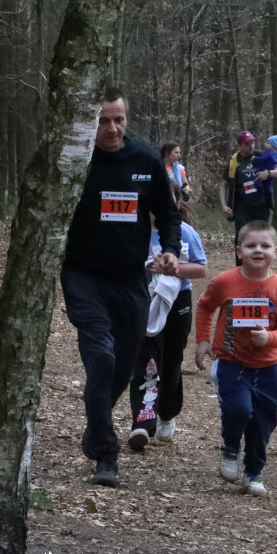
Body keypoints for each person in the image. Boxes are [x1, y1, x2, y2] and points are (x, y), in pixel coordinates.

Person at [61, 87, 181, 488]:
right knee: (102, 359)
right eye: (103, 120)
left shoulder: (145, 160)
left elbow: (168, 216)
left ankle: (94, 428)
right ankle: (106, 454)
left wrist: (168, 250)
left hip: (132, 280)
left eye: (119, 120)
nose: (112, 129)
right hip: (84, 277)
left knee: (123, 366)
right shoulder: (75, 161)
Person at [195, 220, 277, 496]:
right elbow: (205, 306)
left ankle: (254, 473)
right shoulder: (225, 281)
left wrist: (270, 338)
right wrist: (203, 340)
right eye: (251, 245)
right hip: (231, 362)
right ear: (239, 250)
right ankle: (230, 447)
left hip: (268, 368)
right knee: (238, 409)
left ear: (276, 251)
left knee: (262, 423)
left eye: (265, 246)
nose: (258, 251)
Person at [127, 202, 208, 451]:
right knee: (144, 358)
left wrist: (172, 270)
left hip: (177, 301)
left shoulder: (186, 232)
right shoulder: (135, 230)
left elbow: (201, 268)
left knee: (171, 360)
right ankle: (142, 421)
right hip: (144, 299)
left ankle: (167, 413)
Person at [220, 131, 277, 252]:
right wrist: (223, 205)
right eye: (248, 143)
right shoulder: (234, 162)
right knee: (242, 238)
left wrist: (268, 173)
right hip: (242, 207)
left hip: (262, 206)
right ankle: (240, 267)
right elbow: (223, 184)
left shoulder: (262, 156)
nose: (252, 146)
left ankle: (260, 267)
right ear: (239, 146)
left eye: (253, 142)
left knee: (261, 238)